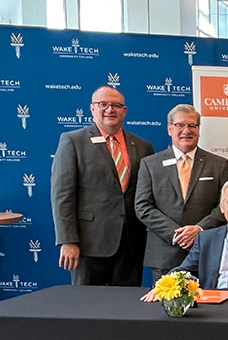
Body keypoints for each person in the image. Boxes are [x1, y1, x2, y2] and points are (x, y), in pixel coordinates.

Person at [51, 85, 154, 286]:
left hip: (131, 245)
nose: (110, 109)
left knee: (126, 308)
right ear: (92, 108)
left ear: (124, 110)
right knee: (87, 309)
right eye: (103, 104)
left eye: (116, 105)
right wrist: (68, 240)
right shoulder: (73, 141)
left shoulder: (143, 146)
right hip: (89, 245)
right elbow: (62, 195)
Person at [135, 104, 228, 282]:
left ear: (198, 130)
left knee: (210, 306)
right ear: (169, 129)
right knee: (165, 306)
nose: (186, 131)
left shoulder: (219, 165)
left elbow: (225, 206)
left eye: (192, 126)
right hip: (164, 253)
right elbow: (142, 206)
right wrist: (177, 234)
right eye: (180, 125)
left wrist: (199, 230)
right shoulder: (150, 164)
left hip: (206, 249)